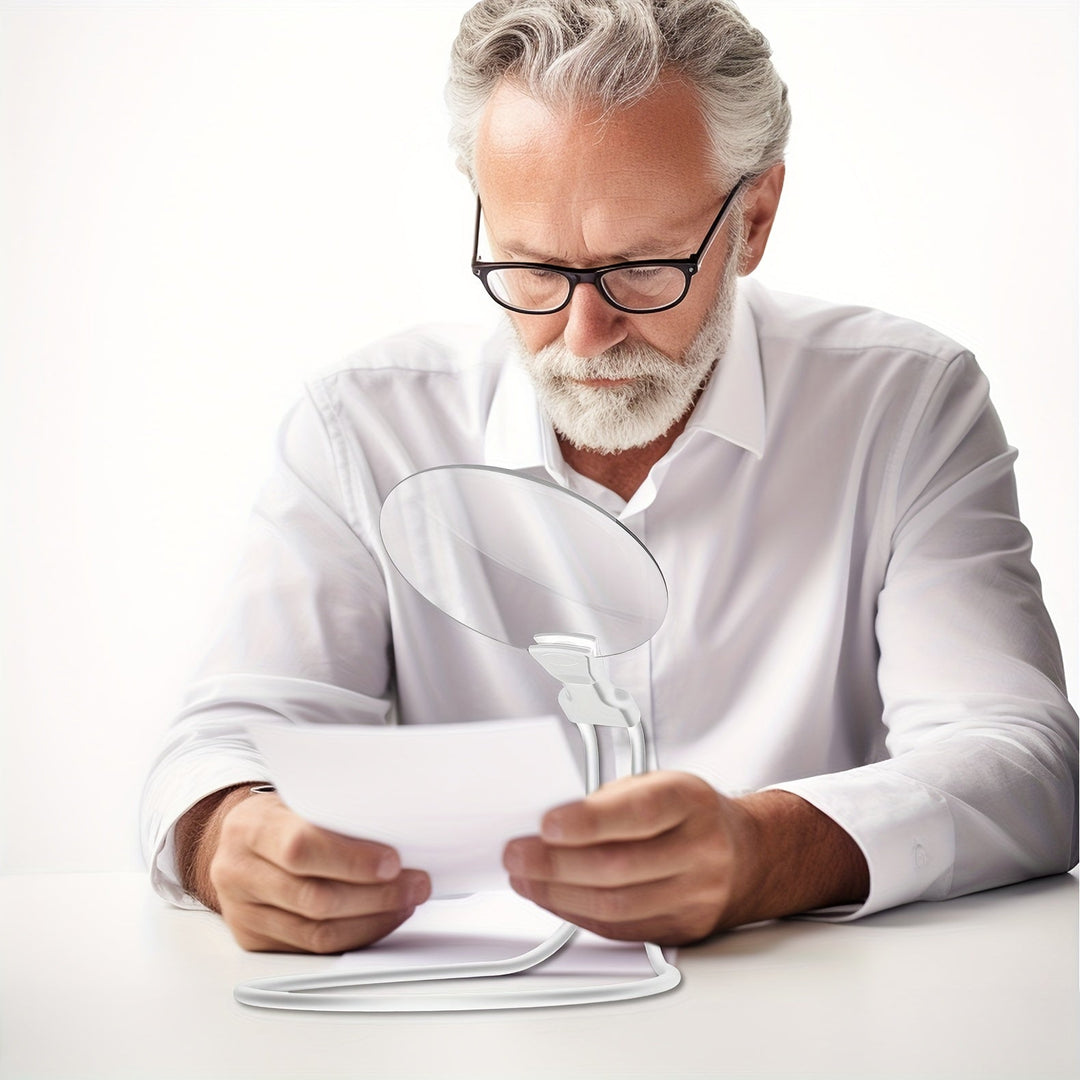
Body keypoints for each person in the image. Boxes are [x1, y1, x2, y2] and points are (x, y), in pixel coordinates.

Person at [140, 0, 1078, 955]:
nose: (583, 337)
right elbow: (222, 739)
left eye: (641, 268)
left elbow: (1024, 760)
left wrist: (765, 852)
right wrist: (232, 837)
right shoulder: (363, 427)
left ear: (753, 220)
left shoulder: (905, 405)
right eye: (534, 268)